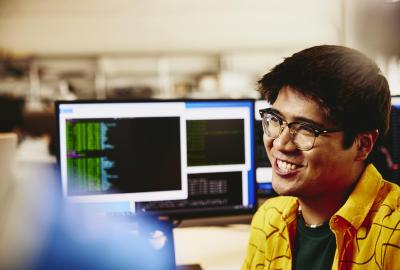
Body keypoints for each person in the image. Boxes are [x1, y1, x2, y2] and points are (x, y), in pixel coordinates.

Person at [242, 45, 400, 270]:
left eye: (306, 129)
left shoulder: (394, 235)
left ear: (362, 145)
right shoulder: (269, 219)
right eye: (275, 120)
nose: (279, 143)